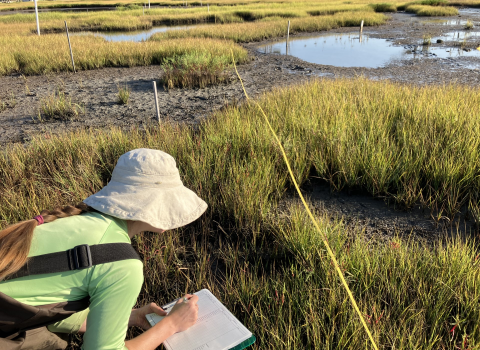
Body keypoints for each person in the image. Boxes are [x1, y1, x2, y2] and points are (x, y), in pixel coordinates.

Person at [0, 148, 209, 350]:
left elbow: (53, 314)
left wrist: (133, 316)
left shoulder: (72, 222)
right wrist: (171, 324)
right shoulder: (122, 263)